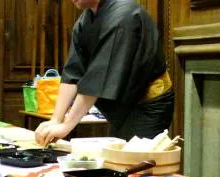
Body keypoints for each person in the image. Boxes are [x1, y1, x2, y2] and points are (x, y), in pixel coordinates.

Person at [35, 0, 174, 146]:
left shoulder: (123, 15)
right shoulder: (85, 20)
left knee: (135, 162)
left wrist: (66, 126)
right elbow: (72, 73)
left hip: (147, 105)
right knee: (118, 160)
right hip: (121, 106)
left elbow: (97, 79)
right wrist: (56, 119)